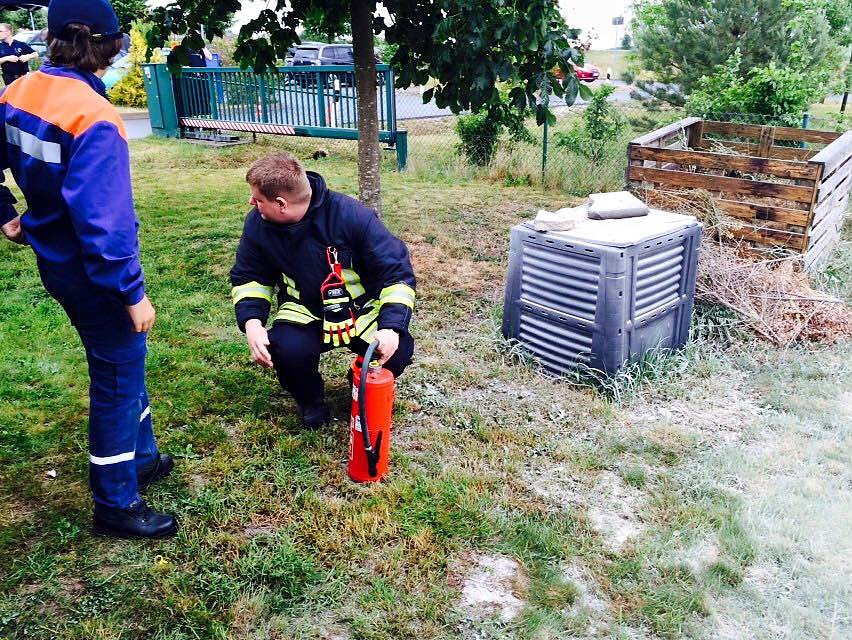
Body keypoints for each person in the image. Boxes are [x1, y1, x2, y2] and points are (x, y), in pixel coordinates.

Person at [0, 0, 177, 539]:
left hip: (55, 261)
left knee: (126, 362)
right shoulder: (95, 118)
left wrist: (6, 214)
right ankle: (116, 503)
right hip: (92, 276)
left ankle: (140, 455)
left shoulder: (19, 90)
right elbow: (106, 225)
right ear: (110, 45)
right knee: (118, 378)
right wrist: (131, 292)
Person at [230, 153, 416, 428]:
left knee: (398, 351)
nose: (252, 203)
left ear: (281, 204)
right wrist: (253, 323)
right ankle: (310, 401)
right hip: (304, 309)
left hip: (359, 312)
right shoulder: (258, 224)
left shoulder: (353, 216)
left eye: (258, 199)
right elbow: (250, 277)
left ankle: (361, 382)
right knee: (287, 351)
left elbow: (397, 274)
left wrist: (391, 328)